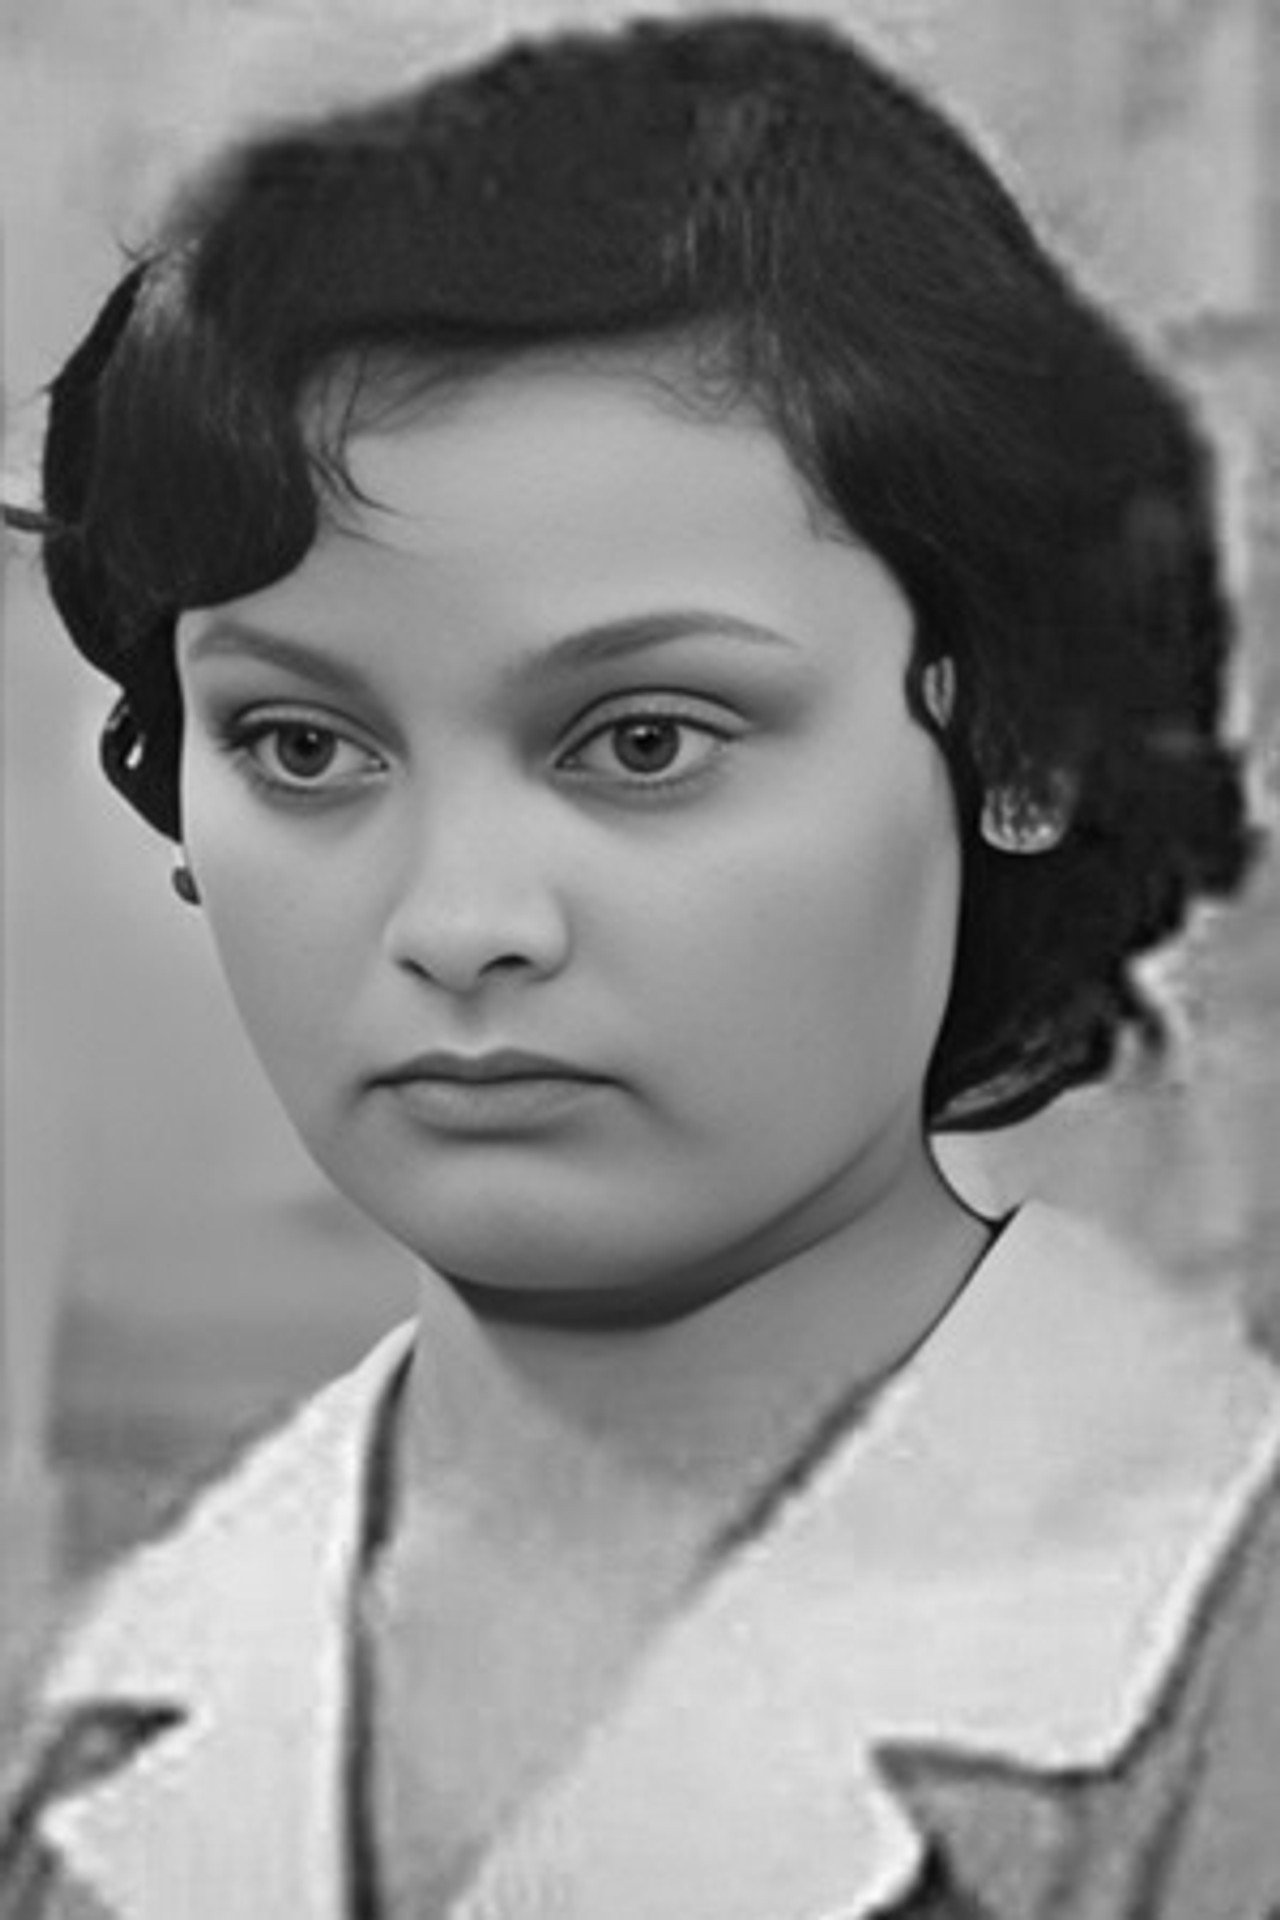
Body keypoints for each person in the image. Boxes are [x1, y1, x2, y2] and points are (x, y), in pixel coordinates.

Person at [3, 10, 1278, 1917]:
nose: (457, 920)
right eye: (302, 748)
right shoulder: (97, 1735)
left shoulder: (1220, 1675)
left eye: (644, 740)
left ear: (1014, 739)